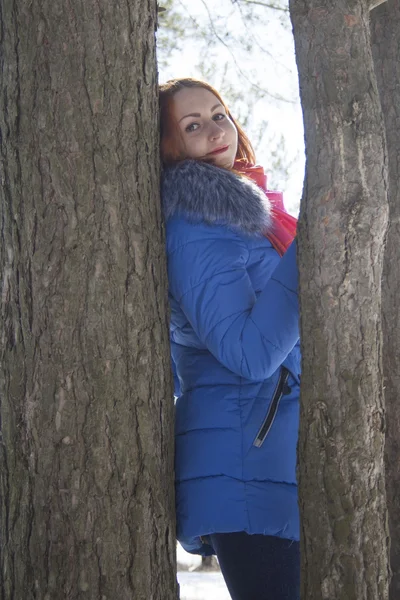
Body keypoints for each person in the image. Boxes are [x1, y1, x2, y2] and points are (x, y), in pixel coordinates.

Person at [159, 78, 300, 600]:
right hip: (246, 459)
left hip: (267, 454)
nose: (216, 129)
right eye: (192, 125)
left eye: (219, 114)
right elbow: (249, 352)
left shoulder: (246, 215)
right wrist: (312, 251)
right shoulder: (197, 222)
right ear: (170, 148)